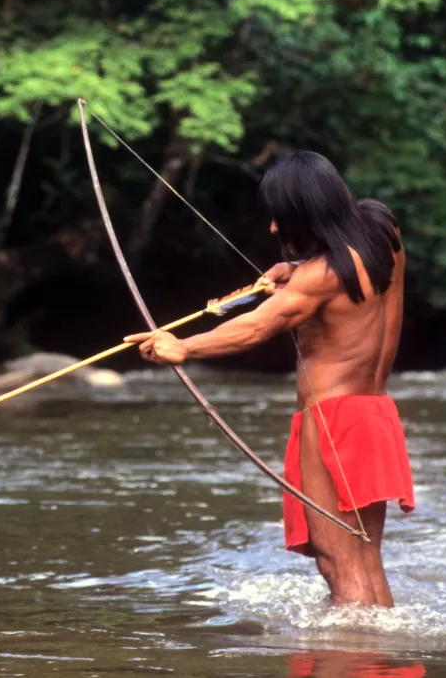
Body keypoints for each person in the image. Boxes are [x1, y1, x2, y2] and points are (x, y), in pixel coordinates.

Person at [124, 151, 415, 607]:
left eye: (281, 217)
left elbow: (256, 326)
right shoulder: (383, 232)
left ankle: (350, 658)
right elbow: (336, 274)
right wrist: (296, 270)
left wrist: (181, 346)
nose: (275, 229)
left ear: (306, 213)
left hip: (332, 421)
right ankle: (380, 663)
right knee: (365, 557)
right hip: (374, 414)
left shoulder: (318, 278)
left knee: (337, 562)